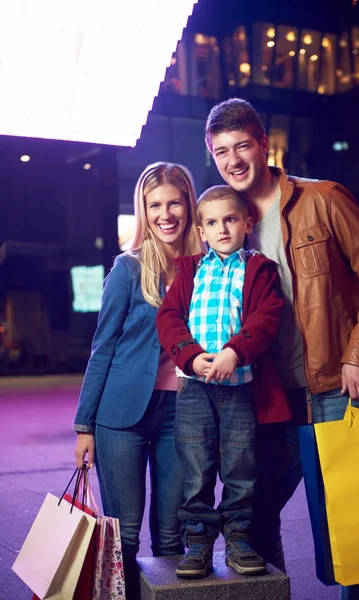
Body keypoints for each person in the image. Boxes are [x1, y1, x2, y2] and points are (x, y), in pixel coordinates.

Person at [205, 98, 359, 600]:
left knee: (353, 523)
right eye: (222, 151)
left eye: (242, 145)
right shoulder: (228, 221)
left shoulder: (322, 198)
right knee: (253, 515)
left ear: (264, 144)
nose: (234, 160)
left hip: (335, 387)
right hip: (269, 396)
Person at [73, 162, 202, 598]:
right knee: (125, 536)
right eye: (154, 206)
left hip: (181, 413)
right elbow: (102, 348)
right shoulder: (127, 270)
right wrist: (84, 425)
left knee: (171, 535)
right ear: (143, 212)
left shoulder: (207, 269)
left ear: (188, 204)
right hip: (120, 416)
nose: (165, 214)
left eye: (174, 203)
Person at [156, 185, 291, 578]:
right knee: (196, 468)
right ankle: (197, 542)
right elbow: (169, 318)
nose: (222, 229)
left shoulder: (258, 269)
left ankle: (239, 540)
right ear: (201, 230)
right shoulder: (189, 269)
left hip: (240, 388)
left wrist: (235, 351)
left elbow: (265, 318)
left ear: (247, 223)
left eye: (230, 220)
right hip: (195, 389)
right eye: (212, 223)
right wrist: (191, 356)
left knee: (241, 466)